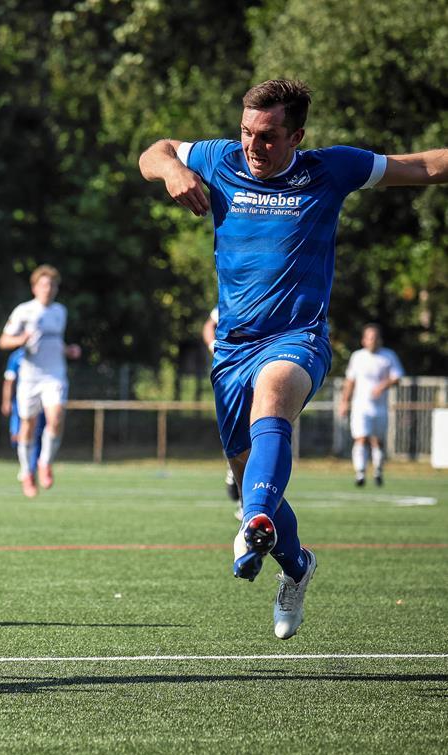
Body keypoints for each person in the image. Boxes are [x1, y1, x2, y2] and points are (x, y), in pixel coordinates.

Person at [139, 78, 447, 639]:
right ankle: (297, 565)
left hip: (297, 338)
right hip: (232, 347)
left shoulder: (332, 170)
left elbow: (424, 166)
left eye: (270, 136)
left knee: (272, 401)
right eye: (247, 132)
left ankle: (251, 519)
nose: (254, 146)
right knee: (245, 467)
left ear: (297, 135)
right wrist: (173, 171)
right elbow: (153, 151)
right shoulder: (218, 158)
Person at [0, 265, 82, 498]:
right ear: (35, 287)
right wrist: (20, 339)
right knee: (28, 426)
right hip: (30, 376)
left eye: (52, 285)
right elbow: (3, 341)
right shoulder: (24, 311)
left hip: (54, 374)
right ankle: (27, 471)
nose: (48, 289)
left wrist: (69, 351)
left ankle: (45, 462)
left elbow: (55, 344)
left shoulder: (60, 312)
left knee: (55, 418)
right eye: (44, 284)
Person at [338, 323, 404, 487]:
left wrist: (382, 386)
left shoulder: (388, 356)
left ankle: (378, 471)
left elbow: (397, 377)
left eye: (375, 337)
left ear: (380, 340)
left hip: (381, 407)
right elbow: (350, 381)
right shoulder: (357, 357)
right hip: (361, 406)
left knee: (377, 441)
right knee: (360, 438)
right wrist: (344, 402)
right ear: (363, 340)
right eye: (369, 337)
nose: (372, 340)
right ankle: (360, 473)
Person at [203, 308, 243, 520]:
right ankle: (233, 467)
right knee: (236, 434)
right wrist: (213, 346)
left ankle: (251, 504)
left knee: (264, 433)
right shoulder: (238, 292)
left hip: (265, 368)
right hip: (234, 372)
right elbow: (209, 324)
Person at [1, 347, 44, 480]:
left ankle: (31, 469)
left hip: (39, 401)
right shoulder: (16, 357)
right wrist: (6, 401)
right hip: (20, 402)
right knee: (16, 437)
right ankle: (26, 465)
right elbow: (9, 381)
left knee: (37, 434)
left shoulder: (42, 354)